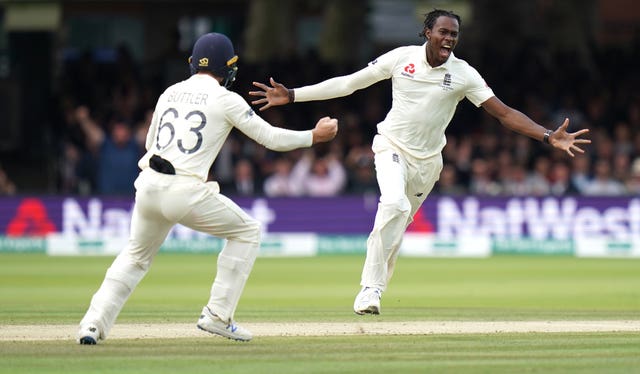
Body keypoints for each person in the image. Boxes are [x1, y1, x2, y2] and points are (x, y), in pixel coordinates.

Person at [249, 9, 591, 315]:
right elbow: (348, 84)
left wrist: (548, 135)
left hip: (429, 164)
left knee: (396, 228)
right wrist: (294, 95)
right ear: (427, 32)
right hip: (391, 147)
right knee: (393, 204)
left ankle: (376, 288)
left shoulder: (464, 74)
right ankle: (370, 289)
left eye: (454, 34)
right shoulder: (402, 59)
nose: (449, 39)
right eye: (443, 32)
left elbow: (503, 113)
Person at [77, 32, 338, 344]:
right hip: (184, 190)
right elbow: (271, 138)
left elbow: (149, 145)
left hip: (148, 184)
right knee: (247, 232)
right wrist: (314, 135)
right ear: (228, 69)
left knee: (134, 257)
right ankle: (217, 315)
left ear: (193, 64)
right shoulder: (225, 98)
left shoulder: (169, 93)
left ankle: (92, 325)